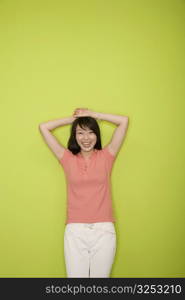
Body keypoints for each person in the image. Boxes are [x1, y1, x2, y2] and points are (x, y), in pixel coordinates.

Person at [39, 108, 129, 277]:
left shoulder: (107, 156)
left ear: (97, 135)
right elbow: (44, 127)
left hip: (104, 229)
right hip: (75, 230)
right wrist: (74, 119)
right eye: (80, 133)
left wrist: (95, 115)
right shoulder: (66, 158)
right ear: (74, 135)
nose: (86, 138)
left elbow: (123, 121)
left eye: (90, 132)